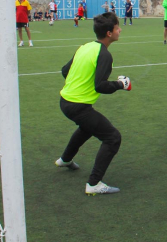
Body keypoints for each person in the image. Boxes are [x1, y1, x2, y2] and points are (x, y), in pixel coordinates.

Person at [55, 12, 131, 195]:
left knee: (87, 127)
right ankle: (93, 184)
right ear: (109, 33)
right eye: (117, 28)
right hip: (78, 106)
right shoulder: (104, 55)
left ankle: (65, 159)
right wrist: (121, 84)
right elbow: (101, 86)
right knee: (113, 137)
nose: (120, 30)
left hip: (65, 101)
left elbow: (65, 71)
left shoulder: (85, 47)